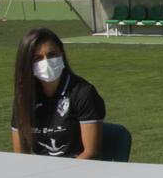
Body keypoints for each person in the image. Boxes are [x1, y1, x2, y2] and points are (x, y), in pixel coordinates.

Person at [11, 28, 105, 159]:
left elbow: (91, 152)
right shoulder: (24, 97)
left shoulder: (83, 93)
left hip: (76, 170)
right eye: (37, 58)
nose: (46, 62)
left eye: (52, 55)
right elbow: (21, 154)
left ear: (62, 53)